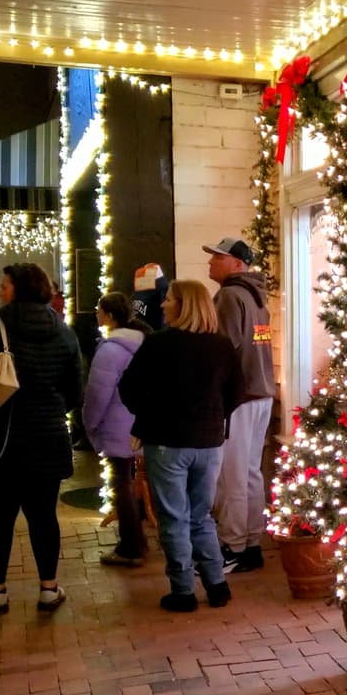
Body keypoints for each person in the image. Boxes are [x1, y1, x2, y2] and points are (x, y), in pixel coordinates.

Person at [0, 263, 81, 615]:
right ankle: (48, 588)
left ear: (19, 290)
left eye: (5, 286)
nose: (1, 291)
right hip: (47, 439)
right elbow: (75, 393)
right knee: (44, 516)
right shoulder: (64, 333)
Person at [119, 280, 243, 612]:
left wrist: (145, 416)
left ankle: (183, 591)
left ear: (184, 305)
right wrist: (215, 417)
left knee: (174, 517)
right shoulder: (222, 346)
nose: (162, 304)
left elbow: (128, 388)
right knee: (201, 515)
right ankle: (217, 585)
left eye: (169, 299)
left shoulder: (159, 344)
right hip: (209, 442)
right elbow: (236, 393)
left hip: (167, 442)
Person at [202, 237, 274, 573]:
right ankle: (252, 542)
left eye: (217, 257)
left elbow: (222, 351)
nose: (210, 263)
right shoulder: (257, 296)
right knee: (249, 472)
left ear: (236, 263)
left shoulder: (230, 296)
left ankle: (232, 546)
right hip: (261, 393)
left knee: (231, 473)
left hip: (239, 396)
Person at [83, 292, 151, 567]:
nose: (96, 315)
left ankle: (130, 546)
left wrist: (89, 422)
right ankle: (138, 540)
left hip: (116, 424)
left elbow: (98, 394)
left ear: (109, 316)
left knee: (121, 486)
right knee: (132, 483)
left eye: (99, 310)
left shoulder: (110, 350)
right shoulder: (145, 343)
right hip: (142, 422)